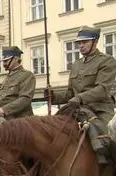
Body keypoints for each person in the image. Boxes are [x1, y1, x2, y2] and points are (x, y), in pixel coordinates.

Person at [45, 26, 116, 164]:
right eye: (79, 43)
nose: (80, 45)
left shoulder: (107, 61)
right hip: (77, 110)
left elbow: (102, 89)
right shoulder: (76, 65)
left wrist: (80, 98)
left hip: (99, 109)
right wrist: (53, 96)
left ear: (95, 42)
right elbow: (70, 93)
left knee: (108, 138)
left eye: (85, 42)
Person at [0, 46, 36, 120]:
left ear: (16, 59)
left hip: (21, 119)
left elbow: (25, 98)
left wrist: (4, 109)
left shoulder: (27, 75)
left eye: (6, 61)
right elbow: (2, 102)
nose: (3, 64)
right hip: (6, 117)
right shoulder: (7, 77)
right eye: (3, 61)